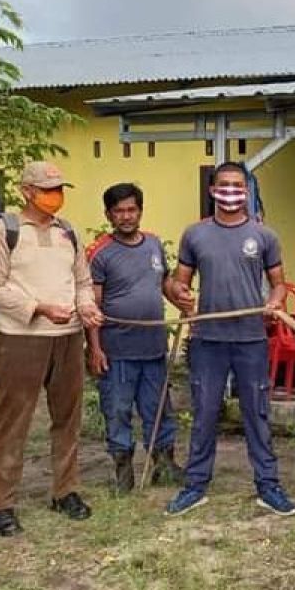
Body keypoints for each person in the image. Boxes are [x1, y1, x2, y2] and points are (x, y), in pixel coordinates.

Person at [163, 161, 295, 517]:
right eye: (223, 184)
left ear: (247, 191)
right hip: (207, 339)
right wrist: (180, 293)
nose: (230, 191)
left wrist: (274, 300)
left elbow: (280, 282)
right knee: (205, 412)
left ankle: (268, 487)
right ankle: (195, 487)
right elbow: (179, 282)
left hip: (251, 339)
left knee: (256, 413)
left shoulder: (264, 235)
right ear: (212, 190)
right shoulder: (195, 234)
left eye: (238, 185)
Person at [0, 161, 103, 536]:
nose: (55, 196)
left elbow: (82, 280)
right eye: (47, 189)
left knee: (68, 419)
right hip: (21, 338)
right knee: (12, 421)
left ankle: (65, 491)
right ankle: (1, 503)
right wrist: (37, 309)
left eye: (59, 188)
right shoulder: (4, 231)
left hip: (68, 338)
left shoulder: (69, 232)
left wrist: (87, 307)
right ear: (26, 191)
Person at [84, 183, 184, 494]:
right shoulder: (99, 253)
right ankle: (123, 470)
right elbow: (92, 306)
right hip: (117, 351)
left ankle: (164, 463)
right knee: (117, 409)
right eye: (119, 211)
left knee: (158, 409)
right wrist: (95, 348)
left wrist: (180, 296)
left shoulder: (153, 244)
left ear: (140, 211)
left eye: (131, 210)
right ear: (108, 215)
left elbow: (163, 282)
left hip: (153, 346)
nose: (126, 216)